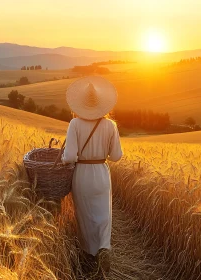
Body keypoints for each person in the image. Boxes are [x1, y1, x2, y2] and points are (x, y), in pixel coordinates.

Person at [61, 76, 123, 276]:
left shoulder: (74, 124)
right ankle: (104, 249)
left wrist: (62, 159)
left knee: (86, 216)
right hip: (102, 174)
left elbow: (70, 157)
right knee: (103, 215)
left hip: (83, 175)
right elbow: (116, 157)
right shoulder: (110, 126)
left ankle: (89, 258)